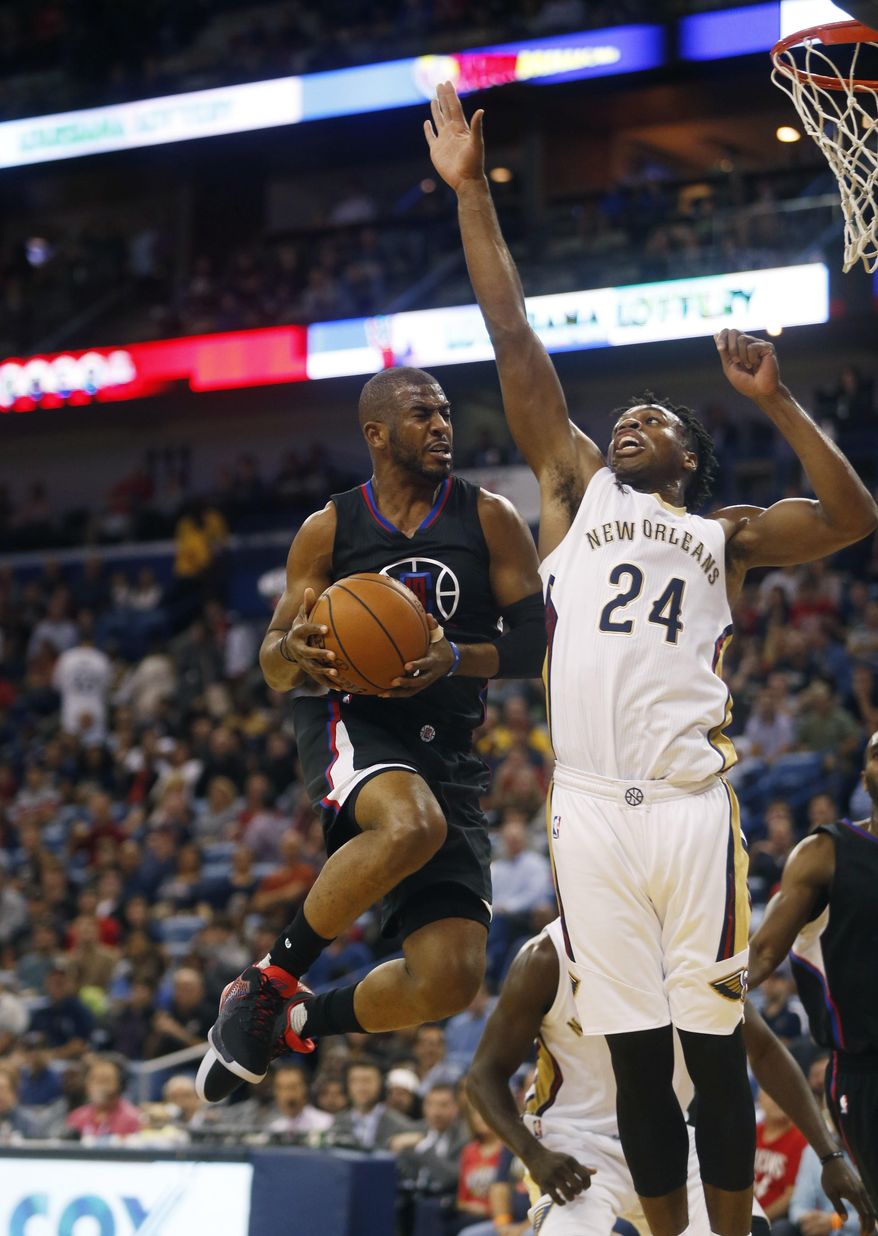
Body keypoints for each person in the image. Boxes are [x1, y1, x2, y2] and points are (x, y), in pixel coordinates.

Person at [425, 79, 878, 1236]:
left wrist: (776, 402)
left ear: (691, 459)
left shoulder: (720, 535)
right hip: (586, 810)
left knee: (713, 1048)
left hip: (685, 804)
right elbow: (512, 335)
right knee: (634, 1060)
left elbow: (848, 515)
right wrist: (472, 194)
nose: (631, 420)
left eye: (657, 421)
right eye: (621, 416)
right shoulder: (572, 493)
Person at [198, 365, 545, 1101]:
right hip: (351, 717)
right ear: (378, 434)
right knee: (410, 823)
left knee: (449, 979)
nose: (443, 426)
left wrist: (455, 656)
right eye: (424, 414)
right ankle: (268, 980)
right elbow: (271, 661)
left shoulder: (491, 519)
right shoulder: (329, 528)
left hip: (444, 743)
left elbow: (538, 644)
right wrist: (293, 650)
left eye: (446, 413)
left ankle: (291, 1020)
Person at [465, 919, 874, 1236]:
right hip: (573, 1146)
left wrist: (829, 1153)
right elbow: (483, 1075)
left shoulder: (693, 951)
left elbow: (764, 1050)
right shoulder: (546, 956)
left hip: (670, 1136)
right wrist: (533, 1155)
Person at [749, 730, 878, 1208]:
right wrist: (713, 992)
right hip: (866, 1070)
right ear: (862, 776)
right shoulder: (825, 852)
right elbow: (763, 954)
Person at [328, 1058, 415, 1149]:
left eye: (367, 1081)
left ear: (381, 1084)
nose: (360, 1087)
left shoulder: (400, 1125)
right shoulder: (338, 1122)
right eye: (354, 1081)